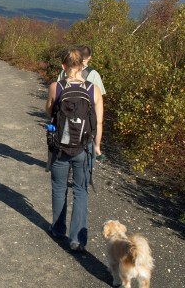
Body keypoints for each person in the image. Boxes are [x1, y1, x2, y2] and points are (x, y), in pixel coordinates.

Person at [45, 48, 103, 252]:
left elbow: (49, 111)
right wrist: (96, 146)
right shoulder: (93, 89)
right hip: (84, 148)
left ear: (63, 66)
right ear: (82, 65)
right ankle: (77, 239)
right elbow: (99, 121)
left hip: (60, 146)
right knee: (81, 190)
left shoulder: (56, 87)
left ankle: (58, 230)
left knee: (59, 187)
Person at [57, 45, 106, 166]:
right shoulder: (94, 74)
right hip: (86, 126)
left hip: (64, 129)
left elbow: (55, 101)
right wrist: (97, 145)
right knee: (82, 179)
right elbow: (99, 119)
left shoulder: (63, 73)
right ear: (89, 58)